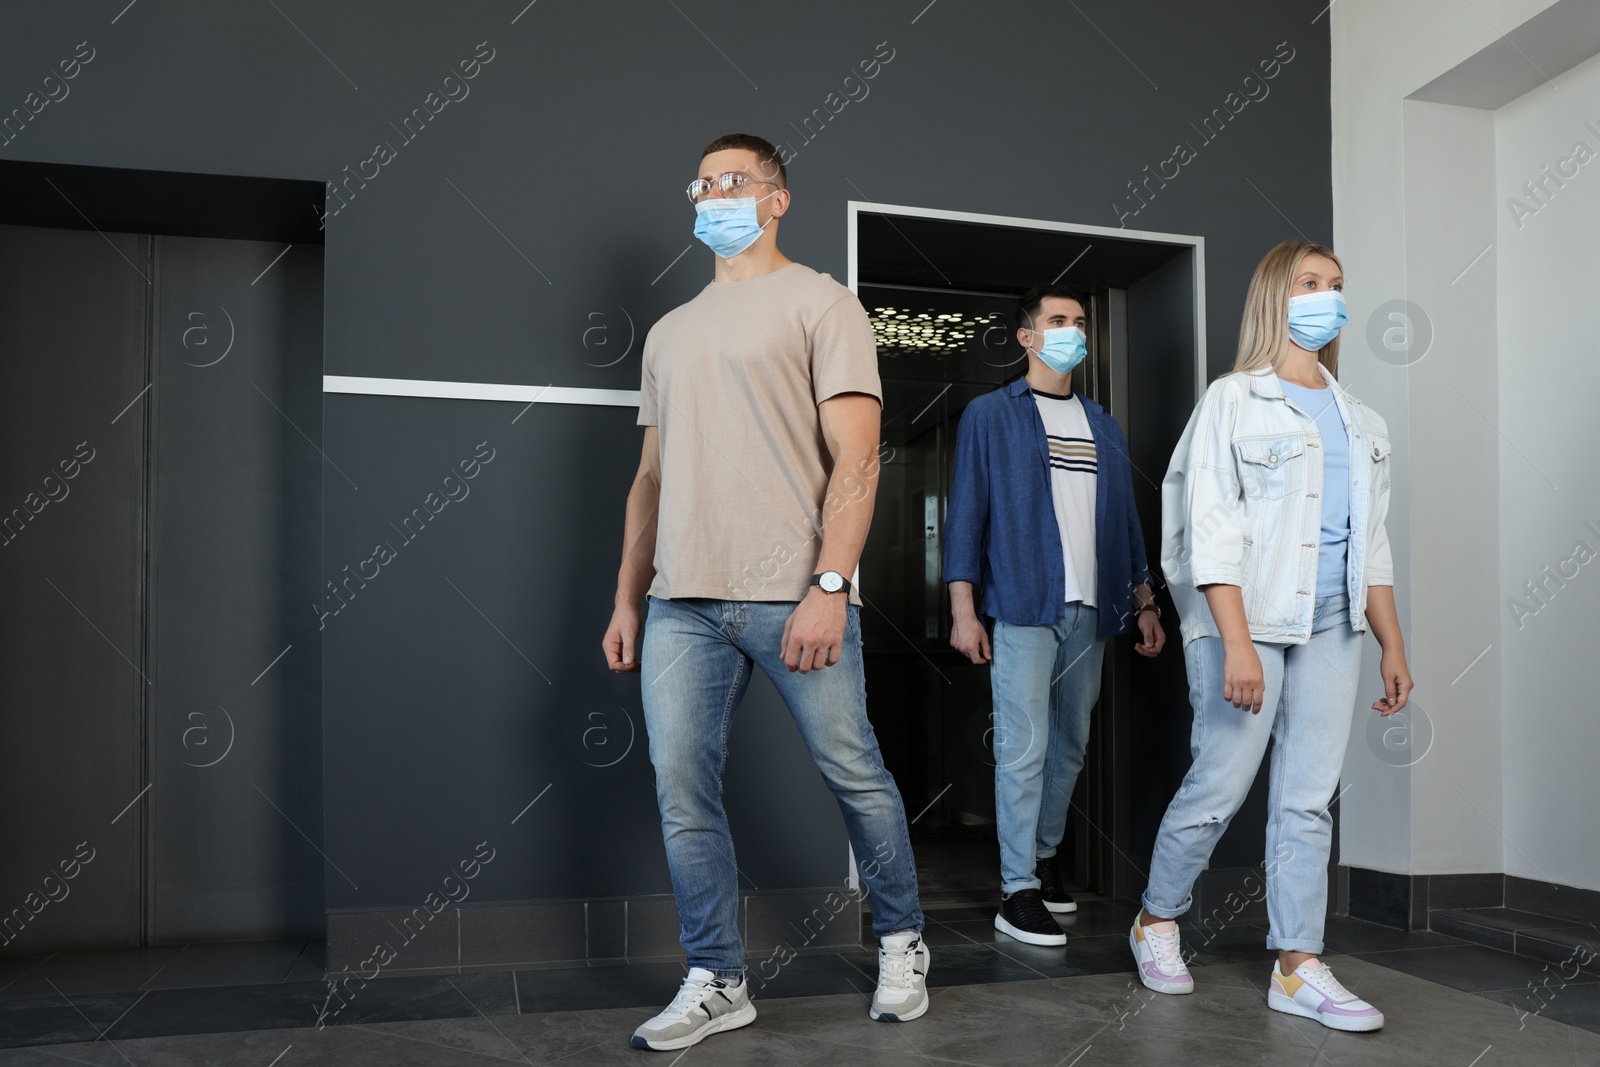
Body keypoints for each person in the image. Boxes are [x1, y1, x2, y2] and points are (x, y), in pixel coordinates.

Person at [602, 133, 929, 1053]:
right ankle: (717, 977)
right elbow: (650, 481)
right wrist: (630, 598)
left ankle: (903, 939)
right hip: (681, 603)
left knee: (853, 772)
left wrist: (831, 584)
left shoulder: (824, 305)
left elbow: (858, 459)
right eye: (703, 184)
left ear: (777, 199)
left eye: (734, 182)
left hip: (794, 592)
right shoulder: (669, 332)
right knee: (682, 787)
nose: (715, 195)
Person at [1130, 239, 1413, 1033]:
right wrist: (1239, 643)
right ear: (1274, 298)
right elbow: (1209, 534)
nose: (1329, 297)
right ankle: (1157, 917)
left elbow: (1374, 544)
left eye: (1337, 285)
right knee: (1222, 783)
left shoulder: (1362, 420)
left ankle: (1297, 963)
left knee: (1308, 798)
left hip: (1335, 624)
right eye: (1311, 283)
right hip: (1243, 620)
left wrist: (1392, 643)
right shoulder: (1233, 400)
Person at [943, 284, 1165, 947]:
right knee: (1023, 748)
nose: (1073, 330)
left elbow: (1124, 521)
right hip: (1021, 603)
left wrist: (1145, 600)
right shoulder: (990, 415)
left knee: (1069, 747)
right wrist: (963, 609)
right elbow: (965, 517)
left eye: (1079, 321)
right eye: (1059, 320)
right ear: (1028, 336)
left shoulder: (1102, 423)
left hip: (1093, 610)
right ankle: (1016, 891)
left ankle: (1044, 857)